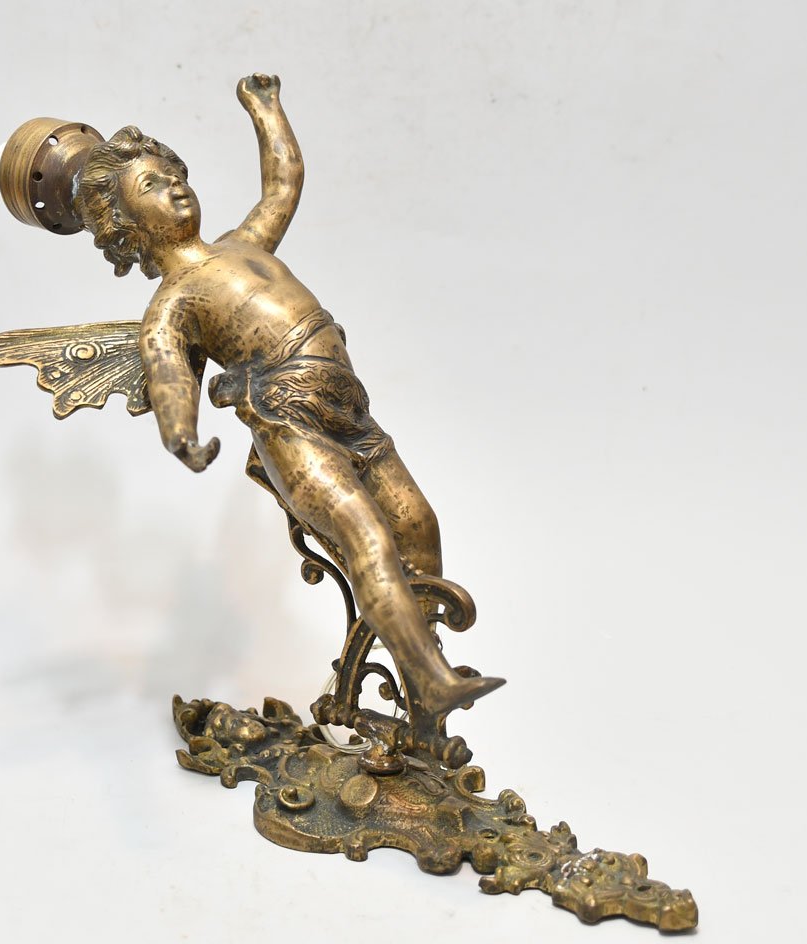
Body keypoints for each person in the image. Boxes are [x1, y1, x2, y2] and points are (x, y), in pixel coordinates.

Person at [73, 74, 504, 718]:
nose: (176, 187)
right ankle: (432, 681)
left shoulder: (242, 244)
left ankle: (422, 679)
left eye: (176, 175)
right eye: (152, 187)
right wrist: (181, 434)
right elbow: (168, 373)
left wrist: (266, 110)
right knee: (365, 537)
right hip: (287, 418)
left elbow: (283, 184)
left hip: (349, 407)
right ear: (127, 227)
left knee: (418, 525)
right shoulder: (172, 304)